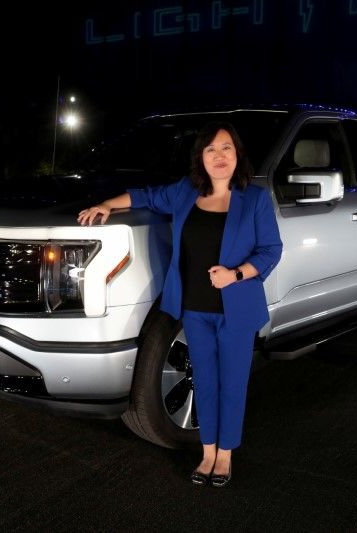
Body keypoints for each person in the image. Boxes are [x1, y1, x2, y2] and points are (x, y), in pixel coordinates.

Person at [77, 121, 282, 487]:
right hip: (195, 308)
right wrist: (108, 204)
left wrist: (236, 274)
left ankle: (225, 455)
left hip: (237, 310)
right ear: (200, 158)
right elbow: (147, 196)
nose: (219, 157)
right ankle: (206, 453)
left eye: (226, 149)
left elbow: (271, 250)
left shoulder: (255, 198)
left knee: (232, 384)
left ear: (238, 155)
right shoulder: (186, 192)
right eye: (211, 150)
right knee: (204, 382)